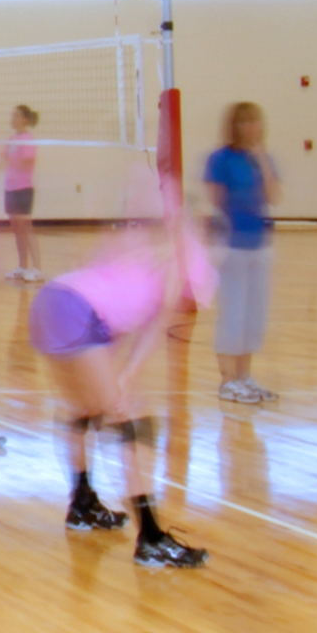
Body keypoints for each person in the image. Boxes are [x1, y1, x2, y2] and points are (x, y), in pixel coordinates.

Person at [28, 193, 209, 568]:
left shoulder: (140, 248)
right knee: (133, 423)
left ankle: (82, 502)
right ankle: (151, 538)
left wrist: (114, 377)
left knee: (84, 409)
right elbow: (153, 327)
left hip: (51, 300)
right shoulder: (177, 262)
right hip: (79, 312)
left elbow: (115, 311)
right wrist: (124, 379)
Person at [203, 99, 278, 404]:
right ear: (234, 126)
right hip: (231, 246)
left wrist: (261, 161)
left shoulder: (263, 159)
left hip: (260, 245)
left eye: (254, 121)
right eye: (244, 122)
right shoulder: (220, 159)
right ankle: (227, 381)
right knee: (232, 314)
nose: (250, 127)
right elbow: (216, 200)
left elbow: (274, 196)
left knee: (253, 316)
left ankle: (245, 377)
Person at [2, 106, 44, 282]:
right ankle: (22, 267)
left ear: (25, 119)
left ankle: (37, 269)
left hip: (23, 189)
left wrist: (11, 159)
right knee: (17, 230)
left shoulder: (27, 139)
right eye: (12, 115)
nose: (13, 118)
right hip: (10, 188)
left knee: (27, 228)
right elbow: (4, 157)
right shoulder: (12, 139)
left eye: (17, 115)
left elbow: (26, 163)